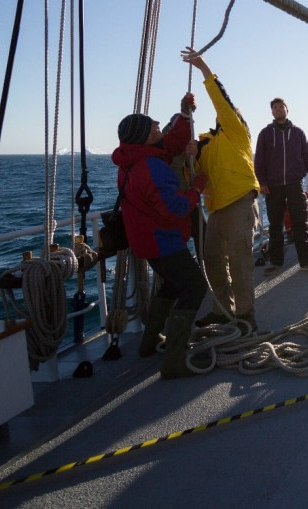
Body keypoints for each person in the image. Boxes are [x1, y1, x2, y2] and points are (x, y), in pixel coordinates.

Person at [112, 100, 208, 379]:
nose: (158, 126)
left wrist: (185, 113)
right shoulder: (150, 168)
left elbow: (174, 140)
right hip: (161, 241)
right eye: (153, 126)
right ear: (144, 136)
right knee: (194, 286)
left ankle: (148, 341)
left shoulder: (134, 160)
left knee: (172, 284)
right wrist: (197, 188)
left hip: (146, 241)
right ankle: (174, 361)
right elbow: (176, 208)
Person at [183, 48, 261, 332]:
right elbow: (193, 174)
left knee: (240, 263)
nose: (227, 115)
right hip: (215, 208)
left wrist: (203, 67)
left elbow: (221, 102)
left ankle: (246, 316)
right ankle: (222, 310)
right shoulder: (204, 143)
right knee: (213, 261)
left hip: (240, 203)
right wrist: (189, 154)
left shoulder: (238, 134)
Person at [257, 98, 308, 273]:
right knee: (275, 224)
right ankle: (275, 262)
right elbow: (259, 160)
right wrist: (261, 182)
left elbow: (307, 154)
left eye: (281, 107)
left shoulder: (298, 132)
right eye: (275, 108)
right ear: (272, 112)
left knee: (300, 222)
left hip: (294, 183)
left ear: (287, 110)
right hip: (273, 186)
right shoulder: (265, 134)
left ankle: (307, 261)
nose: (278, 109)